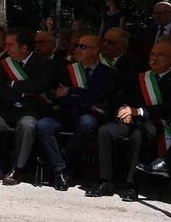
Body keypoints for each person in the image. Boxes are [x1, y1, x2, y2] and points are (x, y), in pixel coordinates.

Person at [88, 36, 171, 201]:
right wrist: (124, 111)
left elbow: (170, 107)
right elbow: (121, 96)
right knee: (106, 131)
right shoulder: (140, 77)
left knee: (138, 135)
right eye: (152, 54)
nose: (155, 58)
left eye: (161, 55)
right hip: (132, 120)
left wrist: (138, 111)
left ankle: (131, 185)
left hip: (158, 124)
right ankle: (105, 181)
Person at [35, 35, 116, 191]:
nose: (77, 49)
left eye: (83, 47)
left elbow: (99, 98)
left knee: (86, 123)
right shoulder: (67, 70)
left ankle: (64, 156)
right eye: (78, 45)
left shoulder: (108, 73)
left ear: (96, 51)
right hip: (67, 112)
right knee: (43, 125)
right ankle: (60, 169)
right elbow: (57, 94)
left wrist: (72, 91)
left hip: (90, 115)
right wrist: (79, 95)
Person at [0, 29, 54, 185]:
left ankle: (17, 169)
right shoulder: (4, 63)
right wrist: (22, 92)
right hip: (6, 109)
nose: (7, 48)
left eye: (11, 45)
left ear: (24, 48)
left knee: (27, 125)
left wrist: (12, 85)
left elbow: (38, 86)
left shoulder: (43, 63)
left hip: (30, 111)